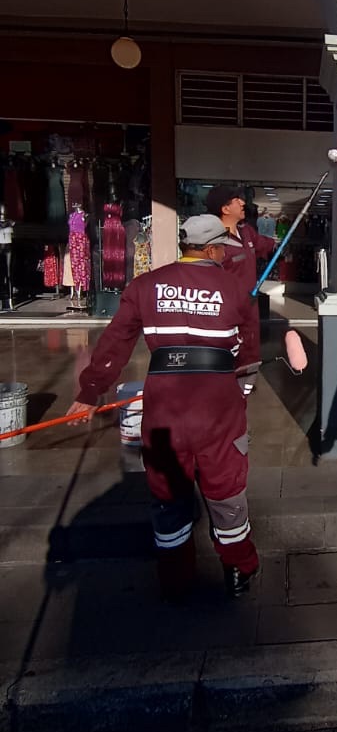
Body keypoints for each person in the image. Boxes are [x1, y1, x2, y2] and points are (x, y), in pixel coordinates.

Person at [66, 214, 260, 602]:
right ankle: (238, 568)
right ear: (210, 249)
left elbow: (115, 343)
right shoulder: (236, 289)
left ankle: (175, 581)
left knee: (168, 496)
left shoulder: (145, 286)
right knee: (225, 492)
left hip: (165, 411)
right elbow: (247, 351)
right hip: (218, 411)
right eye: (222, 247)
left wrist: (90, 391)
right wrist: (243, 390)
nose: (224, 252)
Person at [205, 184, 276, 394]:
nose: (243, 203)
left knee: (250, 355)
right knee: (228, 361)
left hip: (249, 312)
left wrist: (277, 245)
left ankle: (243, 396)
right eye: (237, 200)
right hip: (228, 315)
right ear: (225, 209)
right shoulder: (214, 242)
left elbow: (264, 244)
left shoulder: (246, 232)